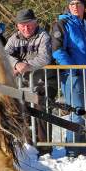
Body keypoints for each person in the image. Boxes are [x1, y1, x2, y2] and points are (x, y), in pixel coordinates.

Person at [51, 0, 86, 157]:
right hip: (73, 77)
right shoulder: (62, 24)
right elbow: (57, 51)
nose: (75, 7)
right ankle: (73, 151)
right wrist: (73, 68)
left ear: (84, 6)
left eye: (78, 4)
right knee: (77, 114)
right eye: (72, 4)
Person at [5, 9, 56, 156]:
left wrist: (25, 66)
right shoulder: (14, 39)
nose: (26, 28)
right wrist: (16, 64)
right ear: (17, 26)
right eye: (22, 25)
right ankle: (28, 148)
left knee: (41, 110)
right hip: (23, 84)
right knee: (22, 112)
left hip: (44, 81)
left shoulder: (43, 36)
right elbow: (4, 54)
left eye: (29, 25)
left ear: (35, 23)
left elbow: (44, 58)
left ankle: (45, 149)